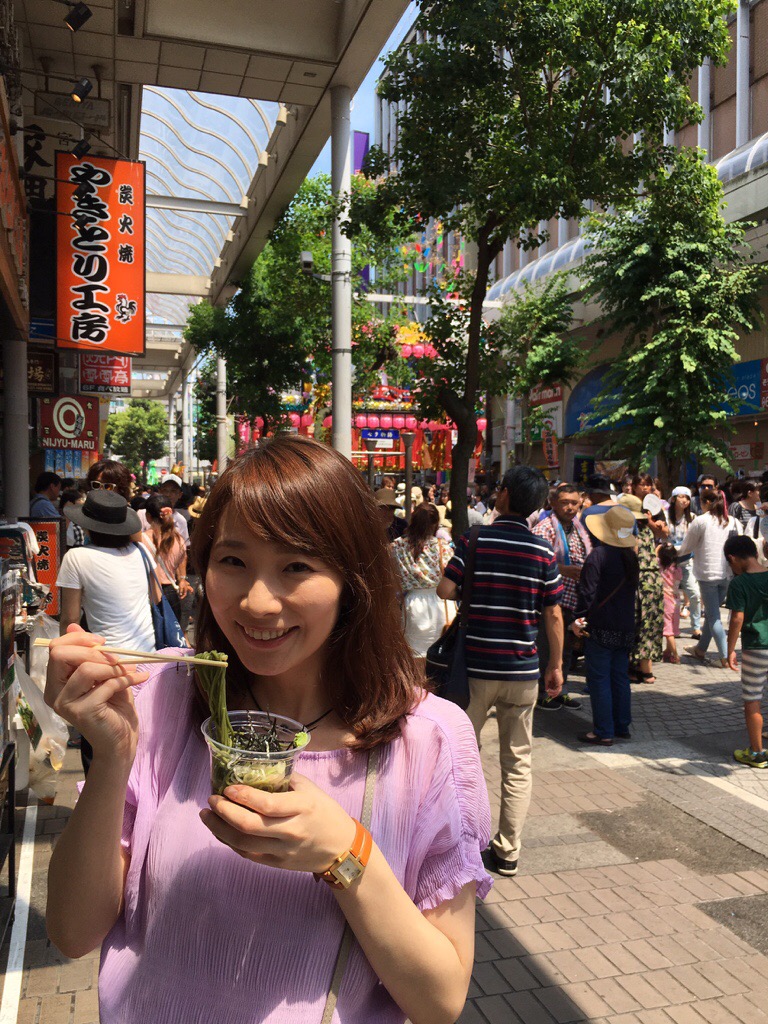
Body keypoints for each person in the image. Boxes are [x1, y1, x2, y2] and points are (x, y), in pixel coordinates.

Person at [44, 436, 491, 1024]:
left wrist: (345, 853)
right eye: (233, 561)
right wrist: (112, 755)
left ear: (352, 579)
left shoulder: (429, 739)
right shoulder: (161, 698)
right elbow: (72, 932)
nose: (256, 602)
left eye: (296, 566)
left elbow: (440, 1002)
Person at [437, 465, 564, 878]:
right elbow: (554, 614)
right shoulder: (543, 552)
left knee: (461, 756)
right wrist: (556, 665)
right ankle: (508, 850)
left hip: (473, 669)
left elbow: (445, 589)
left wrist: (476, 590)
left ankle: (463, 841)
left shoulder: (474, 539)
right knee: (518, 761)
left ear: (504, 494)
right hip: (522, 671)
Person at [571, 505, 640, 746]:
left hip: (601, 626)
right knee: (619, 677)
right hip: (625, 626)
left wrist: (579, 618)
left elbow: (587, 594)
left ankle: (603, 731)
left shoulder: (598, 556)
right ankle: (621, 726)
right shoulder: (630, 557)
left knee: (599, 679)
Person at [532, 483, 593, 711]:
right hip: (549, 602)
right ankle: (542, 692)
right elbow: (535, 564)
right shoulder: (544, 529)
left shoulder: (579, 529)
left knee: (566, 648)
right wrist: (562, 569)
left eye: (574, 503)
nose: (570, 507)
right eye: (565, 502)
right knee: (547, 647)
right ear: (553, 504)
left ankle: (560, 690)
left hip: (573, 599)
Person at [680, 488, 743, 666]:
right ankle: (700, 649)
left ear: (707, 502)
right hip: (728, 573)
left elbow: (687, 547)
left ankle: (725, 657)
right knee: (711, 614)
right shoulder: (734, 522)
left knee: (713, 616)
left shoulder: (701, 521)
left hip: (707, 574)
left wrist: (671, 553)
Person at [725, 534, 768, 768]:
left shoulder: (739, 584)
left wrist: (730, 650)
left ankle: (757, 753)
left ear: (733, 558)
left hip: (756, 648)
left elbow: (737, 619)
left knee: (752, 700)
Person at [391, 503, 450, 658]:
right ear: (435, 524)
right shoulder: (442, 546)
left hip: (411, 604)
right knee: (438, 658)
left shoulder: (397, 545)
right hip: (439, 604)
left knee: (414, 657)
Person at [618, 495, 664, 683]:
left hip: (637, 579)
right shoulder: (647, 529)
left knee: (634, 623)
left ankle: (633, 668)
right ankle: (646, 670)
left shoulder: (624, 530)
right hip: (654, 579)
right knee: (650, 625)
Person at [140, 495, 192, 622]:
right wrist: (182, 579)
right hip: (171, 594)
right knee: (171, 632)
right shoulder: (178, 539)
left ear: (148, 516)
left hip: (148, 593)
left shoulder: (141, 540)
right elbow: (182, 559)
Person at [667, 486, 702, 639]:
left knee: (695, 594)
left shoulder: (693, 518)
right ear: (673, 498)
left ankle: (696, 627)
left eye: (687, 498)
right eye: (681, 496)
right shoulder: (665, 516)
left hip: (686, 561)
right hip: (668, 562)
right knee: (671, 597)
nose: (685, 500)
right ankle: (672, 628)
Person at [136, 473, 190, 547]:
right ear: (160, 491)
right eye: (165, 490)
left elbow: (184, 546)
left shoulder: (181, 521)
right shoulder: (142, 514)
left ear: (180, 494)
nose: (168, 494)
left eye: (173, 491)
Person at [657, 542, 682, 663]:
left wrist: (658, 548)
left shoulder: (661, 566)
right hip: (676, 600)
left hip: (666, 600)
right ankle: (667, 651)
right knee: (672, 626)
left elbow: (654, 556)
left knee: (667, 630)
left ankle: (675, 655)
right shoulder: (678, 569)